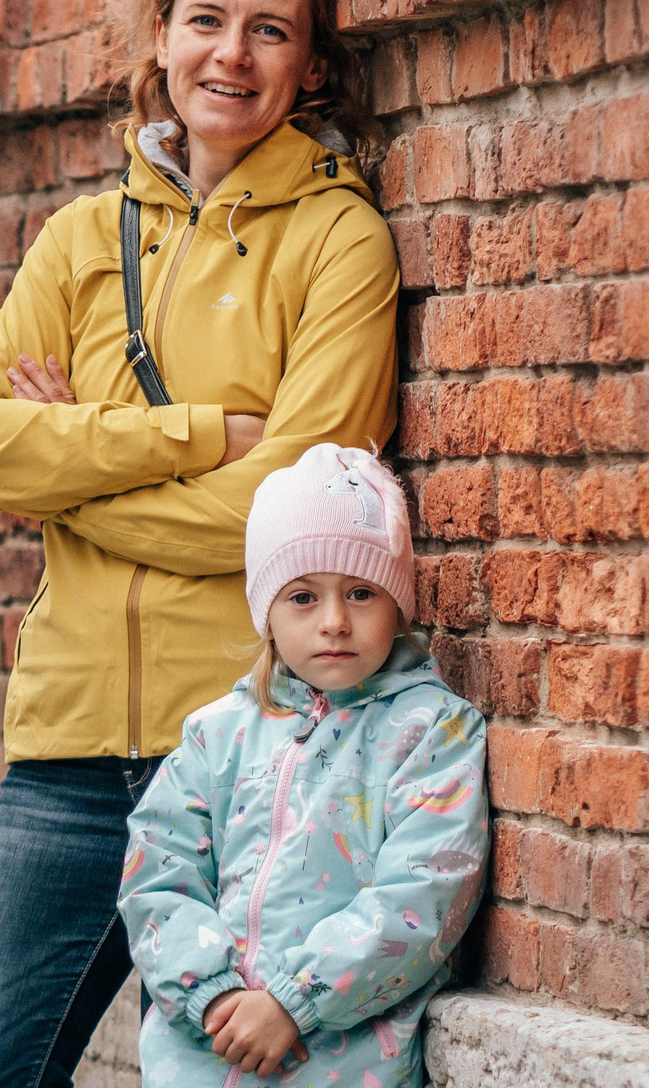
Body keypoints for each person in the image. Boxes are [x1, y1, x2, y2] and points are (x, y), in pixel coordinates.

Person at [0, 0, 403, 1087]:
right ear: (158, 38)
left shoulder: (339, 240)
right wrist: (193, 433)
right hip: (69, 752)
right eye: (204, 21)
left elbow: (297, 520)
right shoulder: (82, 238)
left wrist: (72, 481)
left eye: (269, 32)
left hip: (249, 747)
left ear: (311, 65)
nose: (230, 56)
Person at [119, 444, 489, 1086]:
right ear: (266, 612)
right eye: (302, 598)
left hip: (338, 1064)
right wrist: (215, 996)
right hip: (201, 1058)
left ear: (397, 604)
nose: (335, 622)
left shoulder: (432, 731)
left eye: (361, 592)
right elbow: (157, 870)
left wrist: (295, 1000)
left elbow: (425, 893)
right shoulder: (216, 735)